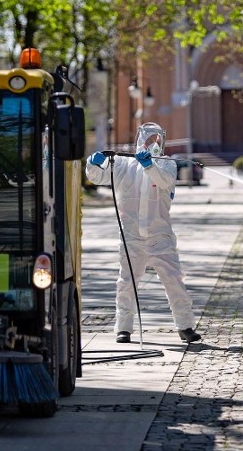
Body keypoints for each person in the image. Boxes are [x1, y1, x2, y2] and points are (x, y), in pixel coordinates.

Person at [85, 122, 201, 344]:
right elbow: (97, 178)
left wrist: (149, 165)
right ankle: (124, 328)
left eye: (158, 139)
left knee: (174, 281)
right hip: (131, 237)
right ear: (140, 139)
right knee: (127, 282)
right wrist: (92, 164)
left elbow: (163, 181)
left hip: (161, 237)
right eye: (150, 139)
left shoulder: (167, 165)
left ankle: (185, 326)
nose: (154, 143)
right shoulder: (122, 164)